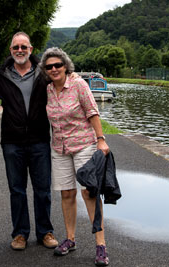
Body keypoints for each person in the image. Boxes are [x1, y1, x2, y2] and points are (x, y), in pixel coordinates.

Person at [40, 47, 110, 266]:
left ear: (66, 66)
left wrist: (101, 139)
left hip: (83, 146)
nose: (54, 69)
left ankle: (101, 244)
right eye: (49, 66)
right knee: (67, 194)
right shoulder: (49, 89)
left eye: (58, 65)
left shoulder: (78, 84)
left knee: (89, 192)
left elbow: (92, 111)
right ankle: (70, 239)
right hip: (59, 149)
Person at [0, 32, 58, 251]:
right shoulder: (1, 76)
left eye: (24, 47)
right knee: (17, 189)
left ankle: (45, 232)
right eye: (15, 47)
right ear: (11, 51)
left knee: (42, 189)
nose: (19, 51)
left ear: (31, 49)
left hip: (39, 139)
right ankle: (20, 233)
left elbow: (64, 83)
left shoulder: (44, 73)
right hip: (12, 141)